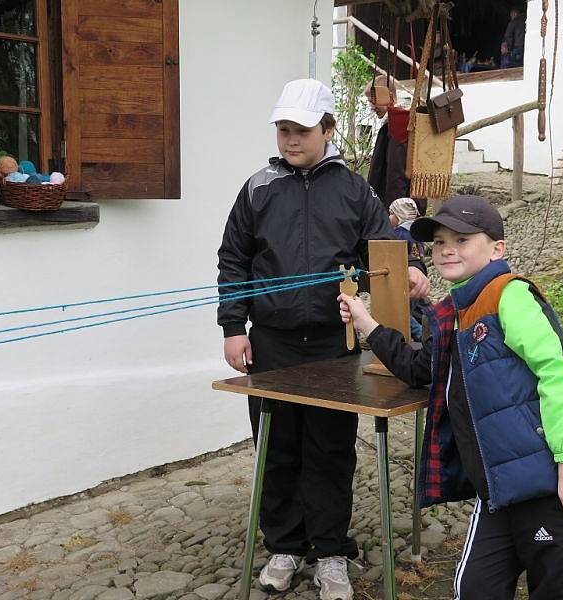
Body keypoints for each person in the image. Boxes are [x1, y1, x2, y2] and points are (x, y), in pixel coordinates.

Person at [338, 195, 563, 599]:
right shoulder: (453, 311)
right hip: (500, 487)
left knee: (554, 590)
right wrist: (367, 322)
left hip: (552, 484)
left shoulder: (508, 295)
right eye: (439, 242)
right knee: (475, 588)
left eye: (462, 239)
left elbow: (557, 374)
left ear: (497, 248)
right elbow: (421, 371)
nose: (447, 249)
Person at [217, 78, 430, 600]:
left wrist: (412, 268)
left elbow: (383, 245)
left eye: (302, 130)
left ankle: (331, 552)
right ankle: (285, 545)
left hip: (335, 345)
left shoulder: (354, 189)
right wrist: (232, 328)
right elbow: (233, 260)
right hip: (271, 341)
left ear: (328, 130)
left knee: (330, 447)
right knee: (277, 447)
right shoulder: (258, 188)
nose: (290, 140)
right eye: (283, 130)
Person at [365, 75, 413, 212]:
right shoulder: (391, 124)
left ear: (389, 96)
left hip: (397, 208)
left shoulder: (399, 125)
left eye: (374, 101)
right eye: (370, 102)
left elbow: (396, 173)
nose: (372, 107)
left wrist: (395, 211)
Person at [388, 197, 429, 342]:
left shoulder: (398, 234)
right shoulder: (417, 232)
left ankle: (421, 336)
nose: (389, 217)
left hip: (405, 278)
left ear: (400, 214)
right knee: (421, 308)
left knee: (403, 311)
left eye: (392, 214)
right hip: (419, 276)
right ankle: (432, 328)